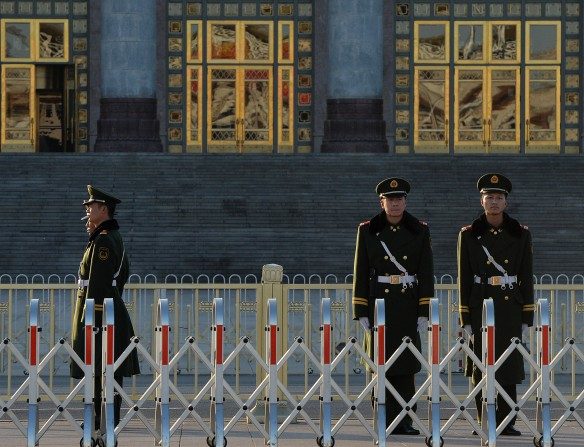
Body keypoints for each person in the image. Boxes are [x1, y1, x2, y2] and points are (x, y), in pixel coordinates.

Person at [352, 177, 434, 435]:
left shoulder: (419, 230)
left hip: (407, 302)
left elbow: (426, 271)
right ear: (382, 202)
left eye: (399, 199)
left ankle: (405, 420)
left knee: (406, 365)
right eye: (391, 200)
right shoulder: (368, 230)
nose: (395, 204)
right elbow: (361, 271)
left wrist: (424, 310)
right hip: (380, 302)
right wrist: (361, 310)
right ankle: (382, 419)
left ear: (405, 201)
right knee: (382, 363)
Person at [458, 173, 534, 436]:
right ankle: (484, 419)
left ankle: (507, 421)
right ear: (481, 201)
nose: (494, 202)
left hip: (509, 305)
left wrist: (527, 315)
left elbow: (526, 274)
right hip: (481, 303)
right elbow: (464, 277)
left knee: (509, 365)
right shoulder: (469, 235)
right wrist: (465, 317)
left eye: (498, 197)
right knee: (481, 364)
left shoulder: (520, 234)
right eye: (489, 197)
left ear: (506, 202)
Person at [71, 185, 140, 432]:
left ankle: (104, 419)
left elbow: (99, 285)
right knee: (103, 369)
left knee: (103, 369)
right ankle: (103, 418)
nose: (88, 211)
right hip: (107, 310)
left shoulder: (103, 241)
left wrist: (92, 318)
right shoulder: (107, 237)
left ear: (103, 209)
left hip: (99, 315)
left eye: (91, 207)